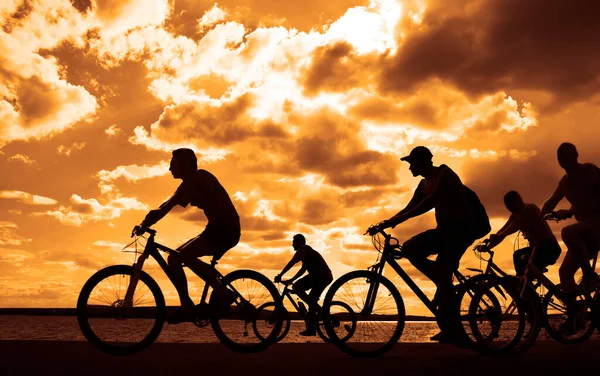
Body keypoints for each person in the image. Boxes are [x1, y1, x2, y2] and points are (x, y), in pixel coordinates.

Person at [375, 146, 482, 342]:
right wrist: (389, 222)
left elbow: (430, 202)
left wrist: (398, 220)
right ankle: (442, 282)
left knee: (443, 273)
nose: (409, 168)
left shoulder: (445, 174)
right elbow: (411, 206)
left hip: (461, 232)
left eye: (411, 163)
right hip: (443, 232)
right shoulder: (423, 184)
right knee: (409, 248)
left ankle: (455, 331)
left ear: (423, 161)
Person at [134, 148, 241, 324]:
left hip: (225, 230)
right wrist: (146, 222)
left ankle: (222, 293)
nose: (169, 169)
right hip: (215, 229)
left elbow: (166, 206)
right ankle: (188, 306)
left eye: (173, 164)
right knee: (174, 259)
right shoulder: (188, 184)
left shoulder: (201, 177)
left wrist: (147, 222)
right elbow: (166, 205)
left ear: (185, 164)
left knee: (181, 256)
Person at [539, 143, 600, 332]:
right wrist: (537, 221)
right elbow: (550, 203)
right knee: (564, 273)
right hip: (586, 232)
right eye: (561, 157)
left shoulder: (589, 171)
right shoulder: (565, 183)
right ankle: (575, 318)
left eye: (568, 155)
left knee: (567, 232)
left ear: (576, 155)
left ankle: (589, 276)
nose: (564, 160)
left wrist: (572, 210)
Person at [488, 191, 561, 276]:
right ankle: (524, 283)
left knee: (521, 261)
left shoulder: (529, 208)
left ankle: (524, 283)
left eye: (511, 204)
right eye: (508, 206)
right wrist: (488, 246)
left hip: (549, 247)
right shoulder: (514, 215)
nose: (509, 208)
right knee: (518, 256)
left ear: (518, 201)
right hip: (536, 248)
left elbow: (514, 226)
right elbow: (503, 231)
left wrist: (499, 235)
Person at [274, 234, 333, 336]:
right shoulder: (307, 252)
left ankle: (317, 314)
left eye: (293, 242)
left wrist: (280, 275)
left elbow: (291, 263)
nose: (292, 245)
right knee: (306, 295)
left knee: (297, 288)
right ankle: (314, 320)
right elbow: (303, 270)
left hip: (321, 276)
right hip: (321, 276)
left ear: (298, 242)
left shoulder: (303, 249)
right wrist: (291, 279)